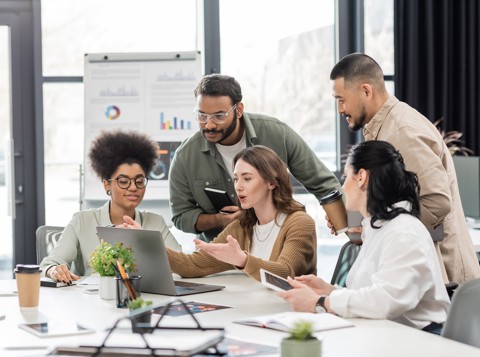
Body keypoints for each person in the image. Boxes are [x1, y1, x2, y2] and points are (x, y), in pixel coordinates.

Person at [329, 52, 480, 284]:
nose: (340, 109)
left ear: (366, 91)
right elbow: (398, 200)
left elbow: (436, 202)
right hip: (419, 268)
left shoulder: (402, 131)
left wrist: (374, 228)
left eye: (341, 99)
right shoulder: (384, 128)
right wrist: (357, 219)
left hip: (443, 273)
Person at [279, 141, 450, 335]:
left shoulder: (404, 232)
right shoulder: (377, 228)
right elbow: (369, 295)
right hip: (389, 334)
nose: (343, 185)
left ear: (361, 177)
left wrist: (321, 302)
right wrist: (329, 290)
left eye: (345, 176)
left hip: (421, 340)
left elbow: (386, 301)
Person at [169, 74, 344, 241]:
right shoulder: (185, 156)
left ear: (238, 110)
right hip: (221, 253)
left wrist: (346, 222)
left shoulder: (277, 134)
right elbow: (181, 216)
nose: (209, 124)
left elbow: (323, 183)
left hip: (277, 245)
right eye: (202, 116)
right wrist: (219, 220)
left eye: (219, 116)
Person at [124, 145, 317, 281]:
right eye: (235, 179)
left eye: (247, 179)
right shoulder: (242, 226)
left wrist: (242, 260)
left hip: (291, 318)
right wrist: (147, 241)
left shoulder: (299, 222)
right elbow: (194, 265)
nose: (238, 187)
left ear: (272, 182)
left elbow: (285, 272)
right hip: (256, 310)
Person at [40, 130, 182, 283]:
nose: (133, 187)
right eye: (123, 181)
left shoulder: (156, 222)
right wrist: (54, 270)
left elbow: (182, 265)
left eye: (139, 181)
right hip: (92, 301)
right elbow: (48, 265)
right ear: (107, 184)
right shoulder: (82, 221)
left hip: (143, 299)